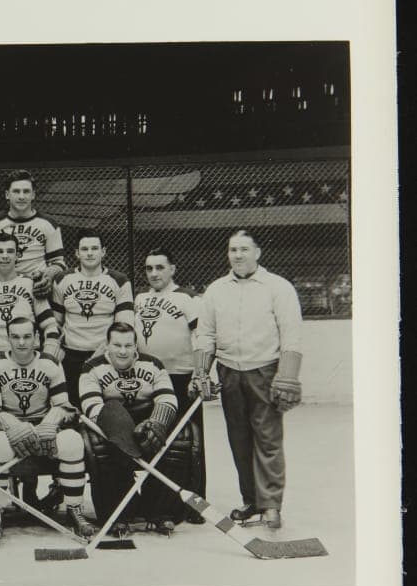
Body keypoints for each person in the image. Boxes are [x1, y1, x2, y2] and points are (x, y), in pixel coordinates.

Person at [193, 229, 303, 531]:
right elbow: (206, 333)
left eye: (244, 249)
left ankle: (271, 506)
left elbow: (291, 333)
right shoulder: (216, 290)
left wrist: (287, 375)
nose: (238, 255)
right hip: (229, 372)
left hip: (265, 371)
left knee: (267, 439)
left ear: (258, 252)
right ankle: (252, 501)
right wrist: (201, 371)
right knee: (239, 440)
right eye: (233, 250)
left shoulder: (278, 288)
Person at [0, 317, 90, 540]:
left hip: (43, 426)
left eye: (27, 336)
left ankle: (74, 509)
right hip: (9, 428)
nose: (21, 342)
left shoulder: (50, 363)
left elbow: (65, 407)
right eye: (16, 337)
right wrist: (12, 425)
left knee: (72, 441)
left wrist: (51, 422)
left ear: (37, 338)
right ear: (8, 339)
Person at [78, 322, 185, 534]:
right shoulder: (92, 367)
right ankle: (119, 513)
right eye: (117, 345)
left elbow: (167, 398)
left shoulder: (153, 364)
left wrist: (156, 423)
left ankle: (160, 512)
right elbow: (93, 406)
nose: (123, 351)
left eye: (128, 345)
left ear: (136, 346)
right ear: (107, 345)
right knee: (104, 446)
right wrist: (126, 437)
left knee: (176, 442)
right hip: (111, 424)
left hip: (147, 419)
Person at [134, 247, 206, 522]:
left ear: (173, 269)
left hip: (181, 376)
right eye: (149, 268)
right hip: (149, 379)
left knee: (189, 441)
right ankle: (160, 503)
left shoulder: (187, 298)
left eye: (160, 267)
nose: (154, 273)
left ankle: (193, 504)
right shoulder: (140, 298)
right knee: (156, 439)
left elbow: (202, 337)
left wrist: (199, 374)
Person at [51, 232, 135, 405]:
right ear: (76, 253)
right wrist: (55, 349)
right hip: (71, 354)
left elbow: (123, 326)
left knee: (101, 404)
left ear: (103, 252)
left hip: (103, 354)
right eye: (85, 249)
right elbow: (56, 322)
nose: (89, 253)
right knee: (73, 404)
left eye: (94, 248)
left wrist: (100, 354)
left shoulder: (119, 280)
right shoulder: (62, 279)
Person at [0, 170, 67, 301]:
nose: (21, 196)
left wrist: (48, 276)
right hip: (1, 287)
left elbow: (58, 263)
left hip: (36, 287)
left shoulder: (48, 224)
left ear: (33, 195)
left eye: (26, 191)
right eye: (16, 191)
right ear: (7, 194)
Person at [0, 230, 61, 357]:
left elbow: (50, 325)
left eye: (10, 251)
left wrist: (48, 356)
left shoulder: (31, 284)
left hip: (27, 356)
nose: (5, 256)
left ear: (18, 255)